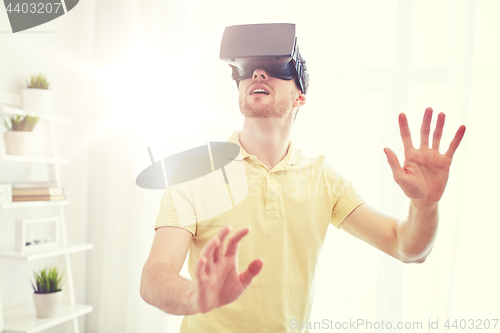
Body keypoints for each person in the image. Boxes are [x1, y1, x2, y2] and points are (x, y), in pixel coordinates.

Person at [139, 47, 466, 333]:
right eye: (247, 67)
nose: (258, 72)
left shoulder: (323, 178)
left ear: (300, 96)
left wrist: (425, 206)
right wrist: (195, 296)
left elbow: (406, 247)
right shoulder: (194, 172)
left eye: (279, 65)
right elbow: (155, 277)